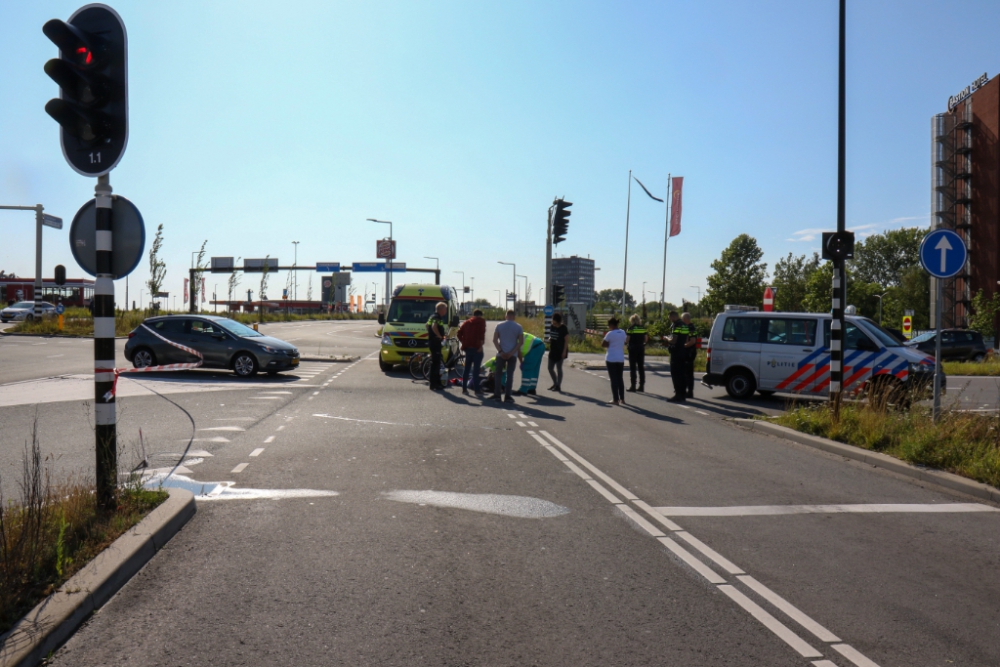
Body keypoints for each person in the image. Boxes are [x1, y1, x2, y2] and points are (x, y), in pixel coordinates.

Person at [492, 309, 523, 403]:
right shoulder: (519, 327)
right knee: (510, 375)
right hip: (512, 354)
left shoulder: (499, 325)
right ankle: (508, 396)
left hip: (501, 354)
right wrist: (512, 352)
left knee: (498, 374)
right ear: (514, 317)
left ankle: (497, 395)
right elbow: (520, 342)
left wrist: (501, 351)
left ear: (506, 316)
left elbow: (494, 340)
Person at [457, 309, 487, 395]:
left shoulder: (466, 322)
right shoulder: (481, 322)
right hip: (477, 348)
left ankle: (464, 389)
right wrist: (480, 346)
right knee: (476, 370)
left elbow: (459, 333)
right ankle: (477, 390)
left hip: (468, 348)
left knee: (466, 369)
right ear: (480, 315)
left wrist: (464, 342)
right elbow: (481, 334)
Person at [667, 311, 694, 402]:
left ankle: (678, 394)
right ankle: (682, 394)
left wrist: (666, 338)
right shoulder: (685, 326)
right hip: (683, 351)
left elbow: (673, 340)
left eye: (670, 318)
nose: (670, 320)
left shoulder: (676, 325)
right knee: (682, 374)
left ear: (673, 317)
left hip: (676, 352)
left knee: (675, 374)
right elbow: (686, 339)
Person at [602, 317, 627, 405]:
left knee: (613, 379)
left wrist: (610, 343)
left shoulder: (610, 333)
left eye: (609, 325)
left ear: (611, 325)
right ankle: (622, 398)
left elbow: (603, 344)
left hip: (611, 358)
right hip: (620, 358)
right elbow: (625, 341)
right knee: (620, 378)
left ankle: (615, 399)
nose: (609, 327)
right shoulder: (623, 332)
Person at [426, 302, 449, 391]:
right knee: (435, 364)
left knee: (436, 362)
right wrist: (439, 336)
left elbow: (427, 325)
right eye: (445, 309)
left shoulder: (432, 316)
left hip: (433, 342)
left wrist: (431, 334)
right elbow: (433, 326)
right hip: (435, 343)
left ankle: (436, 382)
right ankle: (434, 384)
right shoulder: (436, 317)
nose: (446, 311)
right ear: (441, 309)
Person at [625, 313, 649, 393]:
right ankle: (641, 385)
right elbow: (646, 339)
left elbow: (627, 340)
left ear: (632, 320)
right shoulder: (643, 328)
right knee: (641, 367)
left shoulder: (630, 328)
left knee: (633, 368)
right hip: (641, 348)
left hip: (632, 349)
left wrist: (625, 343)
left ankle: (633, 386)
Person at [547, 312, 569, 392]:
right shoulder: (552, 326)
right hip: (552, 350)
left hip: (560, 351)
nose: (554, 324)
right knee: (550, 368)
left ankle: (558, 385)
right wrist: (550, 338)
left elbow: (566, 340)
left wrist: (564, 351)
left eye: (555, 323)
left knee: (559, 368)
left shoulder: (563, 328)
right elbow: (552, 335)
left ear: (559, 322)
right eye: (553, 322)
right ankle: (555, 383)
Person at [682, 312, 698, 399]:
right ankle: (687, 390)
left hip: (689, 352)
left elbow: (692, 341)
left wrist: (683, 346)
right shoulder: (689, 327)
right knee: (687, 373)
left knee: (688, 373)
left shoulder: (691, 328)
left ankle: (689, 391)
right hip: (689, 352)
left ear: (685, 319)